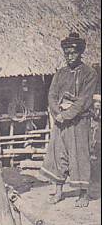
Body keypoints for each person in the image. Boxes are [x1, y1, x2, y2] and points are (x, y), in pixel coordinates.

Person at [40, 33, 98, 207]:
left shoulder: (90, 73)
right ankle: (58, 191)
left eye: (72, 52)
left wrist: (66, 115)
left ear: (80, 52)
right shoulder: (60, 73)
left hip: (79, 121)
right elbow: (52, 95)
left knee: (80, 155)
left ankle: (83, 194)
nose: (69, 56)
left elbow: (84, 100)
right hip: (60, 121)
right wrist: (57, 113)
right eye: (66, 53)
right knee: (58, 154)